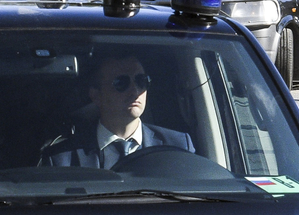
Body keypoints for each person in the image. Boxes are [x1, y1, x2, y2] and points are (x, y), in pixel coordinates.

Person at [43, 53, 195, 169]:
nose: (135, 91)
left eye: (141, 81)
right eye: (121, 83)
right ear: (96, 95)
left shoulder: (179, 146)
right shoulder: (60, 158)